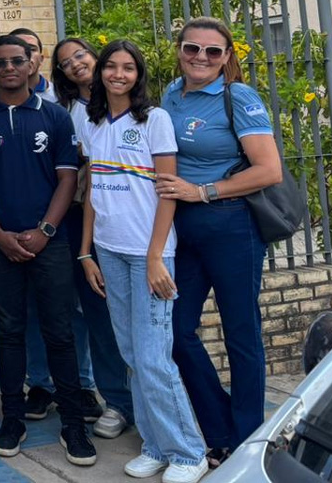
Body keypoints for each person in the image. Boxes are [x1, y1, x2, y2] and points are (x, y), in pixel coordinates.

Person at [0, 35, 96, 466]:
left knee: (59, 331)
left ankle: (73, 423)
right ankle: (12, 419)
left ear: (31, 63)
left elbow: (68, 179)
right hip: (1, 243)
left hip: (49, 242)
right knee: (10, 331)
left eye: (16, 60)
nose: (8, 68)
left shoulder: (55, 116)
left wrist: (46, 230)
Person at [78, 40, 207, 483]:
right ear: (100, 74)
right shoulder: (94, 122)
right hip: (109, 251)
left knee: (154, 358)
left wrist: (156, 256)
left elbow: (167, 188)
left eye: (127, 68)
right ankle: (156, 445)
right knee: (133, 354)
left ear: (139, 75)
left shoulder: (155, 119)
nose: (118, 74)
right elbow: (93, 191)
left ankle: (189, 452)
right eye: (110, 67)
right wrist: (86, 251)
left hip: (148, 252)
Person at [157, 17, 282, 468]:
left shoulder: (238, 97)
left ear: (227, 57)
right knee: (174, 330)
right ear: (180, 50)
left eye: (213, 52)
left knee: (241, 335)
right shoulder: (171, 94)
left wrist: (202, 191)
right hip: (183, 231)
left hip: (231, 226)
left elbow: (269, 170)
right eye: (193, 49)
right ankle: (221, 427)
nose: (202, 58)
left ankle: (246, 438)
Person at [18, 33, 134, 438]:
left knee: (131, 317)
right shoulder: (61, 110)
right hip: (77, 216)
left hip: (127, 218)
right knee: (91, 309)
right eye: (66, 62)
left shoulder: (130, 106)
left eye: (80, 55)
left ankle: (143, 399)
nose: (75, 64)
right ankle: (114, 399)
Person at [11, 28, 57, 102]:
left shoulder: (60, 98)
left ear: (41, 59)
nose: (26, 54)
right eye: (18, 49)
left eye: (32, 49)